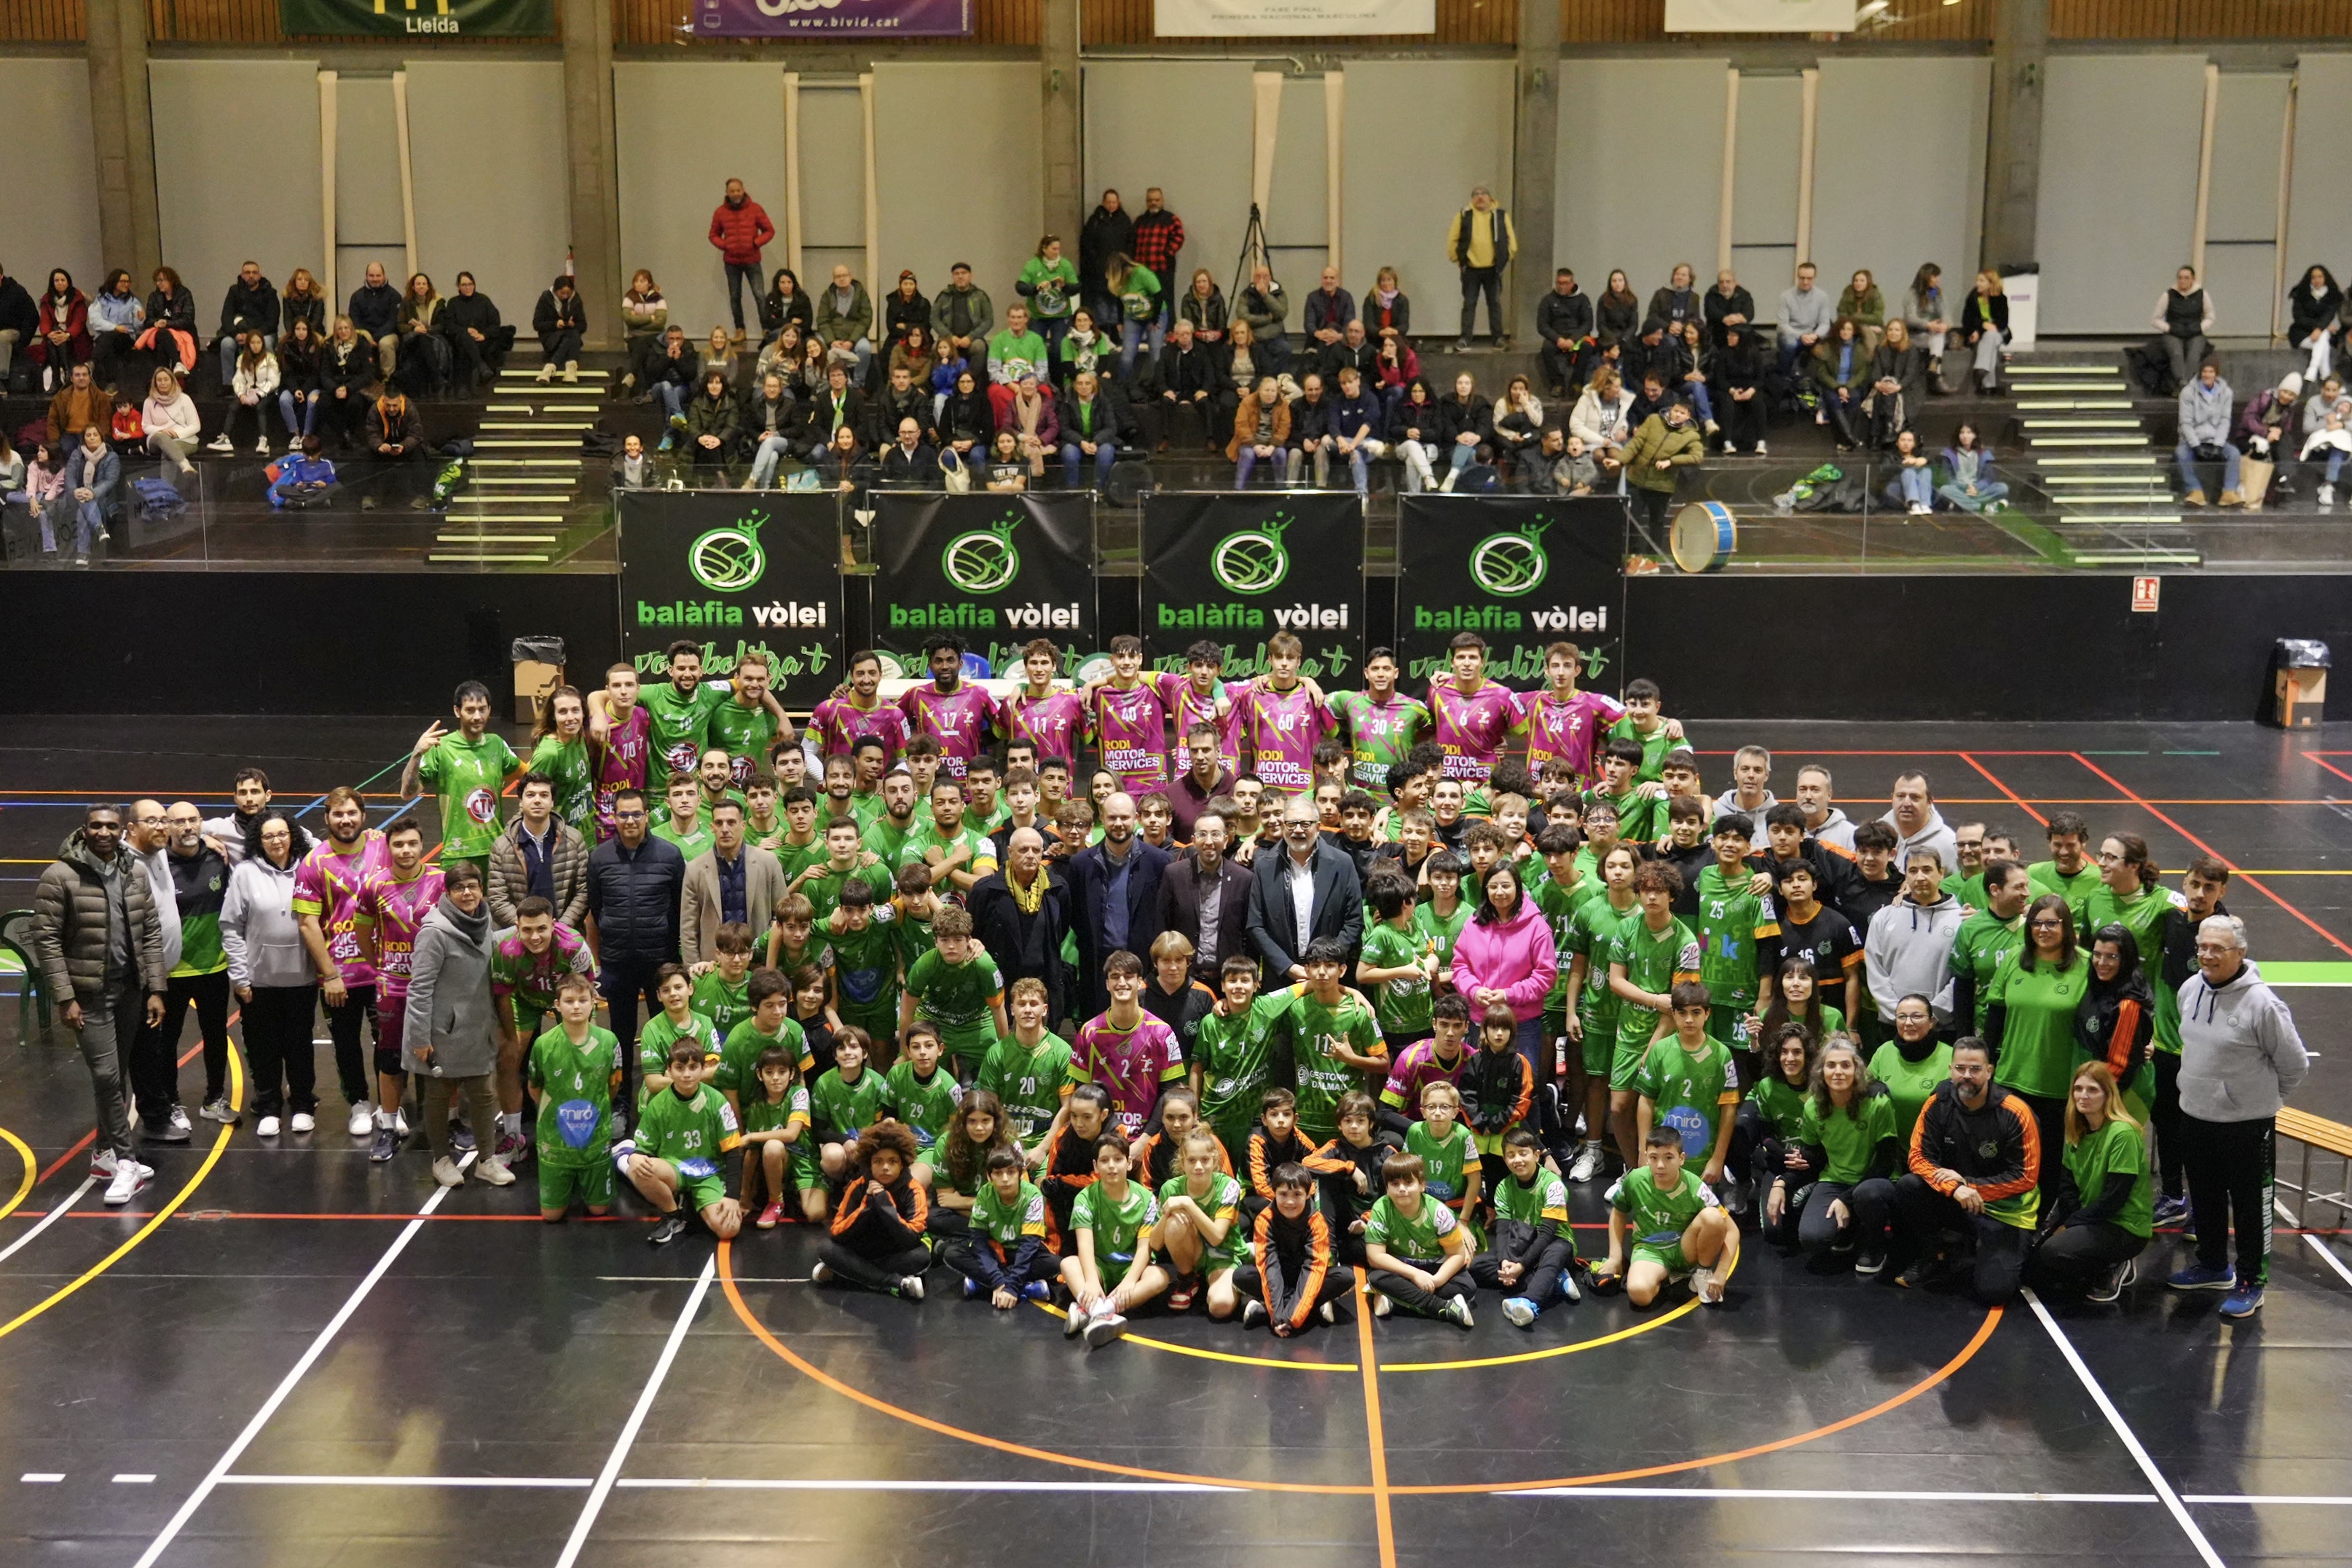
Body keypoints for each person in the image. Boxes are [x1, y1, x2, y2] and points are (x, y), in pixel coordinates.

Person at [2166, 914, 2308, 1317]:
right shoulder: (2190, 989)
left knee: (2250, 1206)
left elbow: (2295, 1065)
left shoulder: (2263, 1005)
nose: (2207, 955)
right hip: (2196, 1115)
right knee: (2205, 1196)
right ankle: (2213, 1266)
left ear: (2240, 953)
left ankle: (2251, 1281)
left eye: (2218, 949)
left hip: (2247, 1126)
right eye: (2202, 947)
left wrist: (2256, 1103)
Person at [31, 805, 167, 1206]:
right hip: (89, 996)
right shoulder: (60, 876)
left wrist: (155, 988)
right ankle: (126, 1162)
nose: (104, 832)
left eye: (111, 826)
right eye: (96, 826)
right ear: (84, 830)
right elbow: (46, 942)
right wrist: (65, 997)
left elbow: (150, 932)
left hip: (129, 990)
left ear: (121, 830)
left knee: (117, 1074)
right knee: (106, 1076)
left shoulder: (134, 871)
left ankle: (103, 1154)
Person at [1891, 1038, 2039, 1299]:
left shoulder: (2015, 1112)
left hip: (2005, 1211)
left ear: (1989, 1071)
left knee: (1994, 1292)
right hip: (1958, 1199)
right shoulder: (1938, 1103)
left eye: (1975, 1069)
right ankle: (1936, 1254)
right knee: (1909, 1186)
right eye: (1960, 1068)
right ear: (1951, 1070)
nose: (1967, 1075)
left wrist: (1970, 1186)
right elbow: (1918, 1157)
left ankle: (2002, 1248)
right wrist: (1956, 1188)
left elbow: (2025, 1177)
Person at [403, 862, 516, 1188]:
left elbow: (488, 945)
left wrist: (521, 929)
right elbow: (419, 989)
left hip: (477, 1029)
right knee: (438, 1098)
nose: (467, 893)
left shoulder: (483, 920)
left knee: (483, 1095)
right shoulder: (434, 933)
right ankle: (441, 1159)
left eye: (473, 886)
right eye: (459, 888)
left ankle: (486, 1160)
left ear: (481, 889)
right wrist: (420, 1038)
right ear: (448, 893)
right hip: (441, 1033)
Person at [290, 787, 390, 1137]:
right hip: (340, 976)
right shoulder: (314, 862)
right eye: (338, 814)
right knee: (346, 1044)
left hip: (384, 970)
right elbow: (308, 923)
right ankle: (359, 1104)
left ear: (363, 815)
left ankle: (389, 1106)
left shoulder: (384, 847)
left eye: (351, 813)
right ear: (327, 818)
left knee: (388, 1041)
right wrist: (329, 974)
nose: (345, 820)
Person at [586, 788, 687, 1114]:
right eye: (623, 815)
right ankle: (621, 1103)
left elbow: (679, 908)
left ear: (647, 816)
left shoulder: (670, 855)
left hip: (660, 964)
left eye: (637, 814)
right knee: (621, 1036)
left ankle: (667, 1103)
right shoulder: (599, 858)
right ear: (614, 817)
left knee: (665, 1033)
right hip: (617, 964)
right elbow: (597, 908)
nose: (630, 821)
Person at [2028, 1061, 2152, 1303]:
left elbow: (2114, 1198)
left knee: (2054, 1252)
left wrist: (2072, 1225)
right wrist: (2072, 1221)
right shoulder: (2075, 1130)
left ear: (2108, 1094)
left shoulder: (2122, 1134)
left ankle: (2114, 1264)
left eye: (2092, 1090)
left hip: (2123, 1226)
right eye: (2078, 1089)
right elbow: (2067, 1188)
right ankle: (2091, 1257)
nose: (2083, 1096)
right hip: (2089, 1219)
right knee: (2032, 1269)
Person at [626, 1039, 745, 1246]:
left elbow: (733, 1152)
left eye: (693, 1067)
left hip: (709, 1173)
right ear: (669, 1070)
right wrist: (633, 1157)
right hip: (675, 1169)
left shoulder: (717, 1101)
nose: (687, 1074)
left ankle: (693, 1200)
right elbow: (643, 1148)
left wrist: (732, 1196)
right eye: (680, 1068)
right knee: (638, 1169)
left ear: (703, 1069)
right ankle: (673, 1214)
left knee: (729, 1229)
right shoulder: (658, 1104)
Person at [527, 973, 622, 1222]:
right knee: (551, 1216)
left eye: (583, 1000)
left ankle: (617, 1159)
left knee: (599, 1210)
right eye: (569, 1001)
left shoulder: (609, 1041)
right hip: (555, 1142)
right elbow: (534, 1088)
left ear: (594, 1002)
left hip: (595, 1140)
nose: (576, 1006)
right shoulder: (543, 1044)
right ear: (557, 1006)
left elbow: (613, 1085)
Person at [1621, 399, 1701, 553]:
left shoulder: (1691, 435)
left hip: (1662, 485)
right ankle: (1633, 554)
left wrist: (1671, 461)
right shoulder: (1655, 421)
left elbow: (1696, 457)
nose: (1678, 415)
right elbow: (1637, 442)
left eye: (1682, 413)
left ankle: (1653, 556)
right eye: (1676, 411)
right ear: (1671, 410)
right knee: (1632, 519)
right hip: (1638, 479)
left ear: (1688, 416)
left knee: (1656, 522)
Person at [1446, 186, 1516, 350]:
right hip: (1471, 269)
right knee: (1469, 304)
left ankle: (1498, 338)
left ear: (1490, 198)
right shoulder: (1463, 215)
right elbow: (1452, 239)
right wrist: (1458, 260)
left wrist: (1505, 259)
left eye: (1483, 194)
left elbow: (1511, 240)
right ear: (1472, 199)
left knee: (1495, 304)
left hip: (1493, 269)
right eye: (1476, 195)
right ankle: (1465, 339)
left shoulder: (1501, 216)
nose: (1480, 197)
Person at [709, 178, 776, 338]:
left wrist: (756, 243)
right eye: (732, 191)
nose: (736, 193)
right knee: (735, 297)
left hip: (752, 260)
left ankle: (766, 329)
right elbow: (713, 235)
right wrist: (725, 245)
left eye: (738, 190)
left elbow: (769, 231)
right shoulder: (720, 212)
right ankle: (740, 330)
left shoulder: (755, 209)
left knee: (760, 295)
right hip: (731, 262)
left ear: (743, 190)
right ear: (727, 193)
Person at [2176, 361, 2243, 508]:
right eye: (2205, 372)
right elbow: (2185, 423)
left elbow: (2225, 420)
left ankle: (2229, 492)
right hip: (2193, 439)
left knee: (2234, 454)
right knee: (2181, 453)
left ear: (2216, 374)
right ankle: (2195, 491)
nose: (2207, 375)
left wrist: (2218, 445)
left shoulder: (2226, 393)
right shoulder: (2188, 392)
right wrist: (2196, 446)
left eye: (2211, 372)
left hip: (2215, 439)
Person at [58, 423, 118, 566]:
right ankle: (99, 529)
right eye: (88, 435)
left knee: (82, 512)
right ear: (83, 438)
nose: (92, 438)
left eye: (95, 435)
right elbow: (69, 476)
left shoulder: (111, 456)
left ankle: (83, 553)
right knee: (84, 500)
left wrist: (93, 493)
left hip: (103, 499)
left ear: (101, 437)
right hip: (77, 496)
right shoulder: (77, 454)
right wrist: (74, 490)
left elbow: (111, 481)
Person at [214, 259, 279, 387]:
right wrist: (235, 334)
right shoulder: (234, 291)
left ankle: (270, 384)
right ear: (242, 275)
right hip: (238, 333)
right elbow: (226, 316)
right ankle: (228, 385)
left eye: (254, 272)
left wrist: (252, 337)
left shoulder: (270, 293)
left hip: (263, 333)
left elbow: (272, 321)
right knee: (226, 344)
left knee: (267, 343)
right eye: (247, 273)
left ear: (259, 275)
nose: (251, 275)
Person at [2150, 264, 2214, 392]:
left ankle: (2189, 382)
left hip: (2195, 332)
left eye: (2186, 278)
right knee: (2176, 353)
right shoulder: (2168, 295)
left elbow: (2210, 316)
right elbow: (2155, 319)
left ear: (2193, 279)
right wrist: (2169, 328)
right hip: (2173, 333)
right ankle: (2181, 381)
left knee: (2194, 353)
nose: (2182, 281)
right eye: (2180, 278)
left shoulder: (2202, 295)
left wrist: (2200, 327)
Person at [817, 264, 876, 381]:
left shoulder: (861, 294)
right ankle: (825, 381)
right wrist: (832, 341)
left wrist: (852, 341)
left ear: (851, 277)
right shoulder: (827, 296)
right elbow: (822, 321)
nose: (842, 279)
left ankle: (858, 382)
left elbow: (865, 319)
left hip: (855, 337)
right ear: (834, 279)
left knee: (865, 348)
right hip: (833, 337)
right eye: (838, 276)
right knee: (818, 346)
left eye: (845, 275)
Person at [1957, 269, 2007, 393]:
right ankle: (1989, 385)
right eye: (1977, 280)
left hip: (1999, 333)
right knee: (1991, 339)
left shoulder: (2000, 299)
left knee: (1991, 336)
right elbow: (1967, 320)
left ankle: (1981, 367)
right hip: (1983, 334)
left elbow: (2002, 323)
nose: (1977, 283)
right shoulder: (1973, 297)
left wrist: (1988, 327)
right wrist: (1980, 327)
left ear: (1991, 283)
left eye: (1981, 281)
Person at [532, 275, 586, 384]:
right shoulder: (546, 298)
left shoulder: (575, 300)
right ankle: (571, 369)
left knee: (573, 334)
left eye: (568, 293)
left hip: (570, 335)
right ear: (556, 291)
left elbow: (583, 326)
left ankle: (551, 367)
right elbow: (537, 324)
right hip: (551, 337)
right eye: (562, 293)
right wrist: (555, 324)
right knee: (573, 337)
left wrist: (573, 324)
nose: (565, 296)